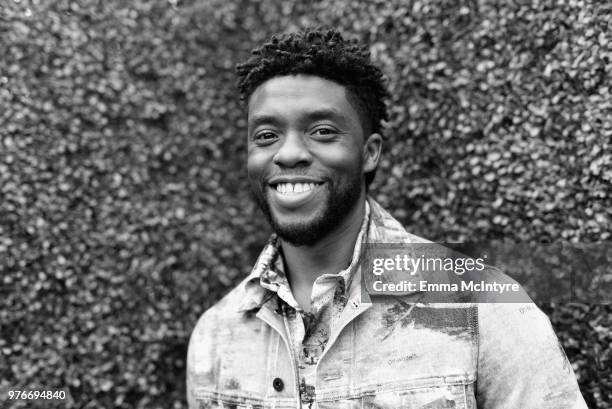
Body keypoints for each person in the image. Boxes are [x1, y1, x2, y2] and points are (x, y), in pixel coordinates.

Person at [186, 28, 587, 409]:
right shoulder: (216, 336)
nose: (288, 153)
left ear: (370, 152)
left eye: (322, 131)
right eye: (266, 135)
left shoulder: (481, 305)